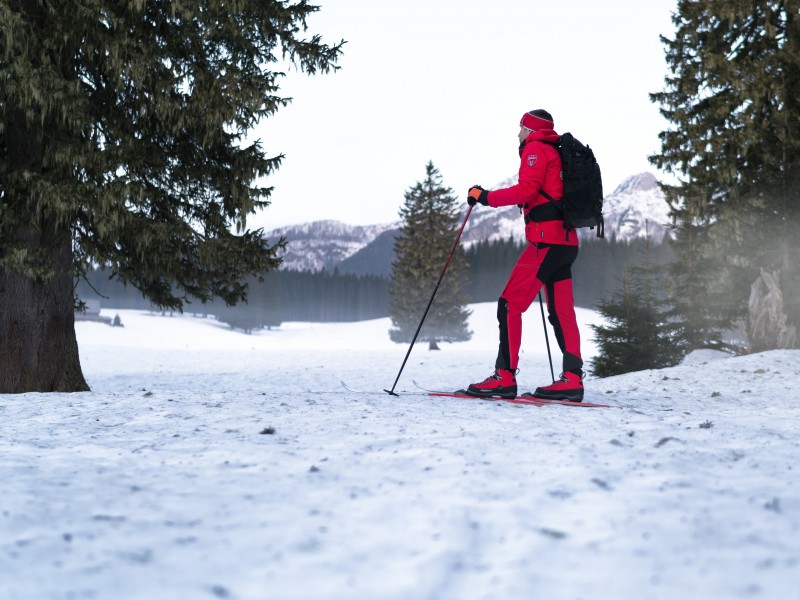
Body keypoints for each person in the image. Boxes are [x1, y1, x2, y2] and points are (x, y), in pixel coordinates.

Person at [464, 109, 584, 402]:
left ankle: (504, 377)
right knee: (561, 312)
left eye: (520, 128)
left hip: (546, 242)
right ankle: (572, 379)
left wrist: (486, 197)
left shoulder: (536, 150)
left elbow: (526, 190)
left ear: (530, 131)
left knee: (509, 304)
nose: (518, 133)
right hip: (566, 242)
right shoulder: (556, 151)